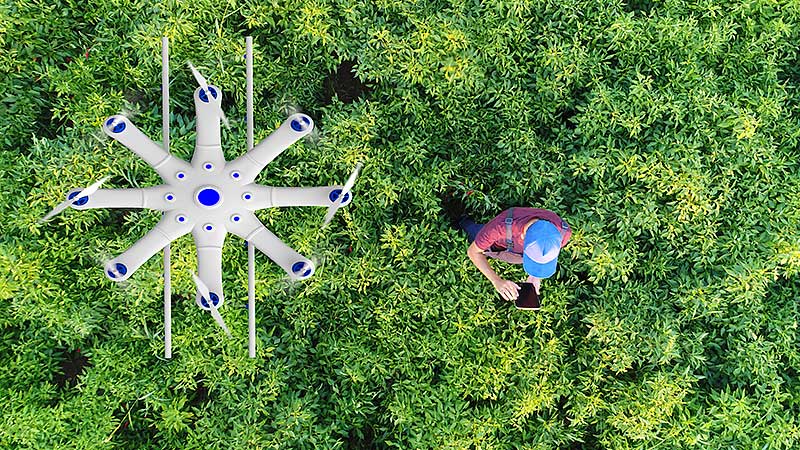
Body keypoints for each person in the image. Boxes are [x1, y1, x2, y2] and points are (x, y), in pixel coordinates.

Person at [457, 207, 571, 301]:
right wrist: (496, 280)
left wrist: (535, 277)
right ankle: (460, 219)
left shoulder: (564, 233)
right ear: (522, 237)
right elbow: (473, 252)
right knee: (473, 230)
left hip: (515, 251)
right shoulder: (499, 228)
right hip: (497, 244)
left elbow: (543, 249)